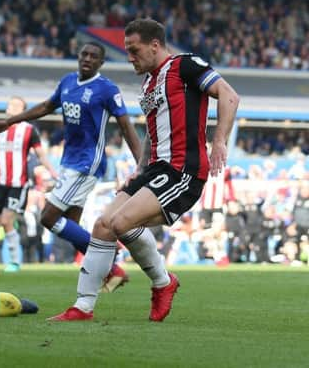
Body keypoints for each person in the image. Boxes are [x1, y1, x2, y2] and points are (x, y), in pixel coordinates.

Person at [49, 18, 239, 322]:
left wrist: (219, 142)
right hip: (154, 169)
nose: (129, 57)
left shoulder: (185, 65)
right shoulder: (150, 83)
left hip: (182, 169)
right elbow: (154, 132)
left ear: (155, 45)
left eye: (134, 50)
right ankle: (82, 307)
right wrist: (138, 168)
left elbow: (229, 95)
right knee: (102, 225)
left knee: (121, 222)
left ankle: (163, 283)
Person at [0, 42, 141, 289]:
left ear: (101, 63)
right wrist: (9, 122)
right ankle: (110, 272)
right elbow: (46, 107)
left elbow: (126, 126)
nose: (87, 59)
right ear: (78, 57)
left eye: (94, 56)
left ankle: (108, 256)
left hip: (87, 163)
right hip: (69, 161)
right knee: (70, 224)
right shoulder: (67, 82)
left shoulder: (107, 89)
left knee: (48, 217)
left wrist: (141, 164)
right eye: (84, 54)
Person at [0, 96, 58, 272]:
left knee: (6, 220)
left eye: (17, 105)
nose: (12, 107)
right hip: (0, 184)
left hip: (19, 183)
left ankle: (15, 262)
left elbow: (41, 155)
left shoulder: (28, 130)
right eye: (10, 104)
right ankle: (15, 236)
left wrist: (54, 173)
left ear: (24, 110)